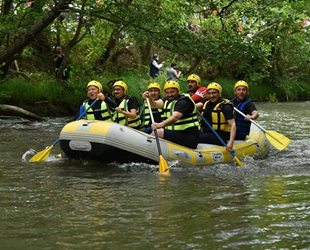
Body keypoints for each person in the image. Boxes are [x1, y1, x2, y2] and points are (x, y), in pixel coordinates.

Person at [143, 80, 200, 149]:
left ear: (178, 91)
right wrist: (149, 99)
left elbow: (175, 117)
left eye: (172, 92)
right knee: (155, 131)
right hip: (177, 134)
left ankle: (146, 149)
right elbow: (154, 104)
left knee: (159, 132)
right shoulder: (167, 101)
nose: (169, 95)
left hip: (189, 137)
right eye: (167, 92)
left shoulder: (184, 101)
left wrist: (159, 125)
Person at [197, 82, 236, 152]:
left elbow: (233, 125)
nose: (211, 95)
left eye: (214, 93)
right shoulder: (206, 102)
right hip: (205, 132)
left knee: (194, 137)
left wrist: (231, 143)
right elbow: (195, 106)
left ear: (219, 93)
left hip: (220, 135)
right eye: (209, 93)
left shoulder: (225, 106)